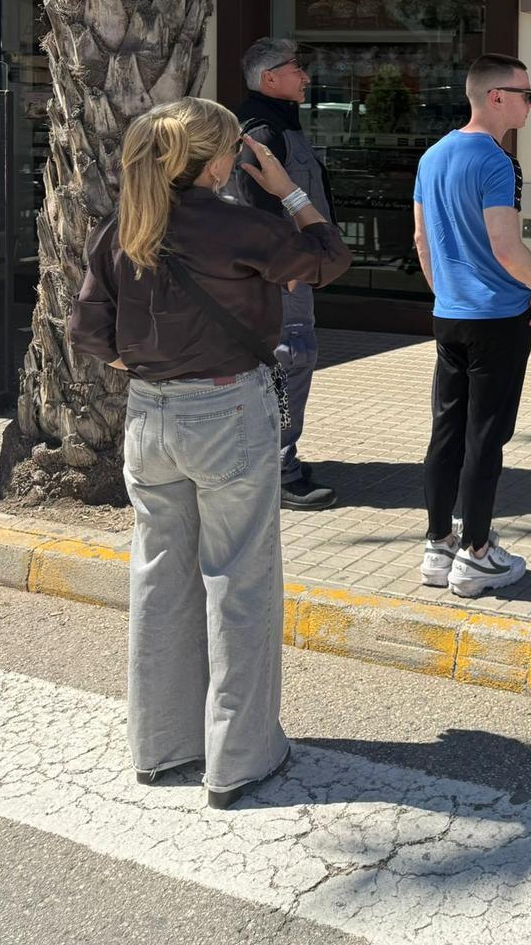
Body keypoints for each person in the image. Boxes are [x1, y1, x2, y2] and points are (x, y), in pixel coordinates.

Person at [69, 98, 351, 809]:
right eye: (229, 148)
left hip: (150, 415)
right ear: (216, 158)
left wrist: (145, 371)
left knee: (160, 575)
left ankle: (162, 747)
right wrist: (287, 189)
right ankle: (240, 758)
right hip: (227, 409)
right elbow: (329, 259)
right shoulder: (240, 224)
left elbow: (89, 334)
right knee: (240, 577)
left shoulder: (123, 227)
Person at [414, 53, 531, 597]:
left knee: (446, 431)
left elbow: (422, 242)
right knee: (485, 438)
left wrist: (445, 292)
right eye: (525, 93)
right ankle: (475, 554)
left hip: (449, 315)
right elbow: (505, 244)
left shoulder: (432, 155)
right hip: (496, 318)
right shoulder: (497, 162)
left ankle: (437, 544)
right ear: (495, 96)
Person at [226, 37, 339, 512]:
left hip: (289, 270)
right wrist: (286, 268)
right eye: (297, 69)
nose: (306, 78)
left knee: (289, 359)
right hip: (281, 277)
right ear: (270, 78)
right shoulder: (261, 132)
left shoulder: (277, 124)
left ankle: (278, 457)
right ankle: (278, 468)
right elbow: (257, 209)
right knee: (292, 356)